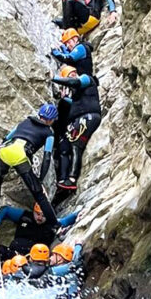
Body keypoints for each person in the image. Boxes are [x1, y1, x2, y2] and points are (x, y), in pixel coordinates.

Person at [0, 104, 60, 226]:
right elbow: (47, 157)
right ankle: (55, 225)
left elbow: (7, 138)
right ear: (51, 120)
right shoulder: (49, 133)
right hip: (20, 154)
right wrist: (40, 180)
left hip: (6, 150)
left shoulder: (26, 121)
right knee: (39, 195)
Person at [51, 65, 102, 207]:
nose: (72, 76)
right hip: (79, 119)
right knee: (64, 147)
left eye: (73, 74)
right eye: (70, 75)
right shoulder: (77, 93)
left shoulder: (86, 78)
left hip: (88, 116)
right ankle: (63, 179)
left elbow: (75, 82)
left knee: (75, 145)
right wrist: (64, 98)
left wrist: (55, 78)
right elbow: (72, 103)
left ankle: (72, 179)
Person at [0, 202, 78, 273]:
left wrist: (79, 213)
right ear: (34, 211)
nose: (40, 218)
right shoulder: (25, 216)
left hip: (33, 261)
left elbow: (67, 220)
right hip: (13, 253)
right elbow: (6, 210)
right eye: (38, 214)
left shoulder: (51, 223)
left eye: (43, 215)